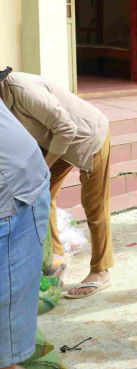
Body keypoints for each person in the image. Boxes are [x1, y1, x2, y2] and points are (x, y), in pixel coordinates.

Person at [0, 69, 112, 299]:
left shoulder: (23, 90)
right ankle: (56, 261)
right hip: (55, 143)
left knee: (94, 206)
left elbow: (67, 128)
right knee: (41, 196)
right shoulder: (3, 99)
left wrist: (43, 165)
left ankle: (101, 271)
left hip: (88, 136)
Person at [0, 85, 51, 369]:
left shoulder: (27, 91)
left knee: (5, 352)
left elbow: (68, 129)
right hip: (22, 185)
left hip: (16, 199)